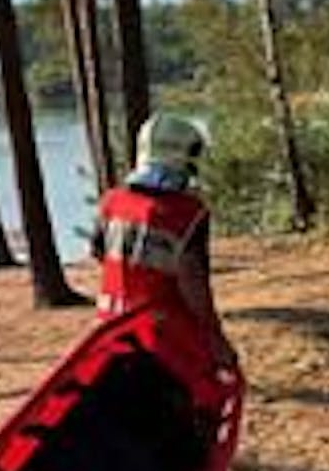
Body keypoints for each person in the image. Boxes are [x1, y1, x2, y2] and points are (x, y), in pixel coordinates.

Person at [93, 112, 237, 369]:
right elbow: (192, 283)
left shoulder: (111, 202)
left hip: (109, 329)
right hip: (162, 338)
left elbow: (99, 254)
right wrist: (216, 339)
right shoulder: (188, 213)